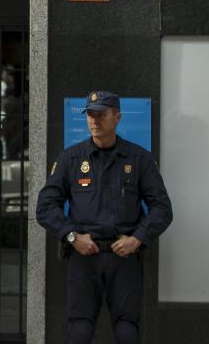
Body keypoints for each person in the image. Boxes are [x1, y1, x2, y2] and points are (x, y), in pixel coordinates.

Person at [36, 91, 173, 344]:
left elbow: (162, 208)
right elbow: (45, 207)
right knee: (80, 329)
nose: (95, 120)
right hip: (84, 256)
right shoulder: (71, 158)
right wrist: (72, 236)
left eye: (101, 114)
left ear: (117, 117)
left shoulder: (139, 158)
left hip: (124, 258)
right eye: (90, 114)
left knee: (126, 330)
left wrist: (137, 239)